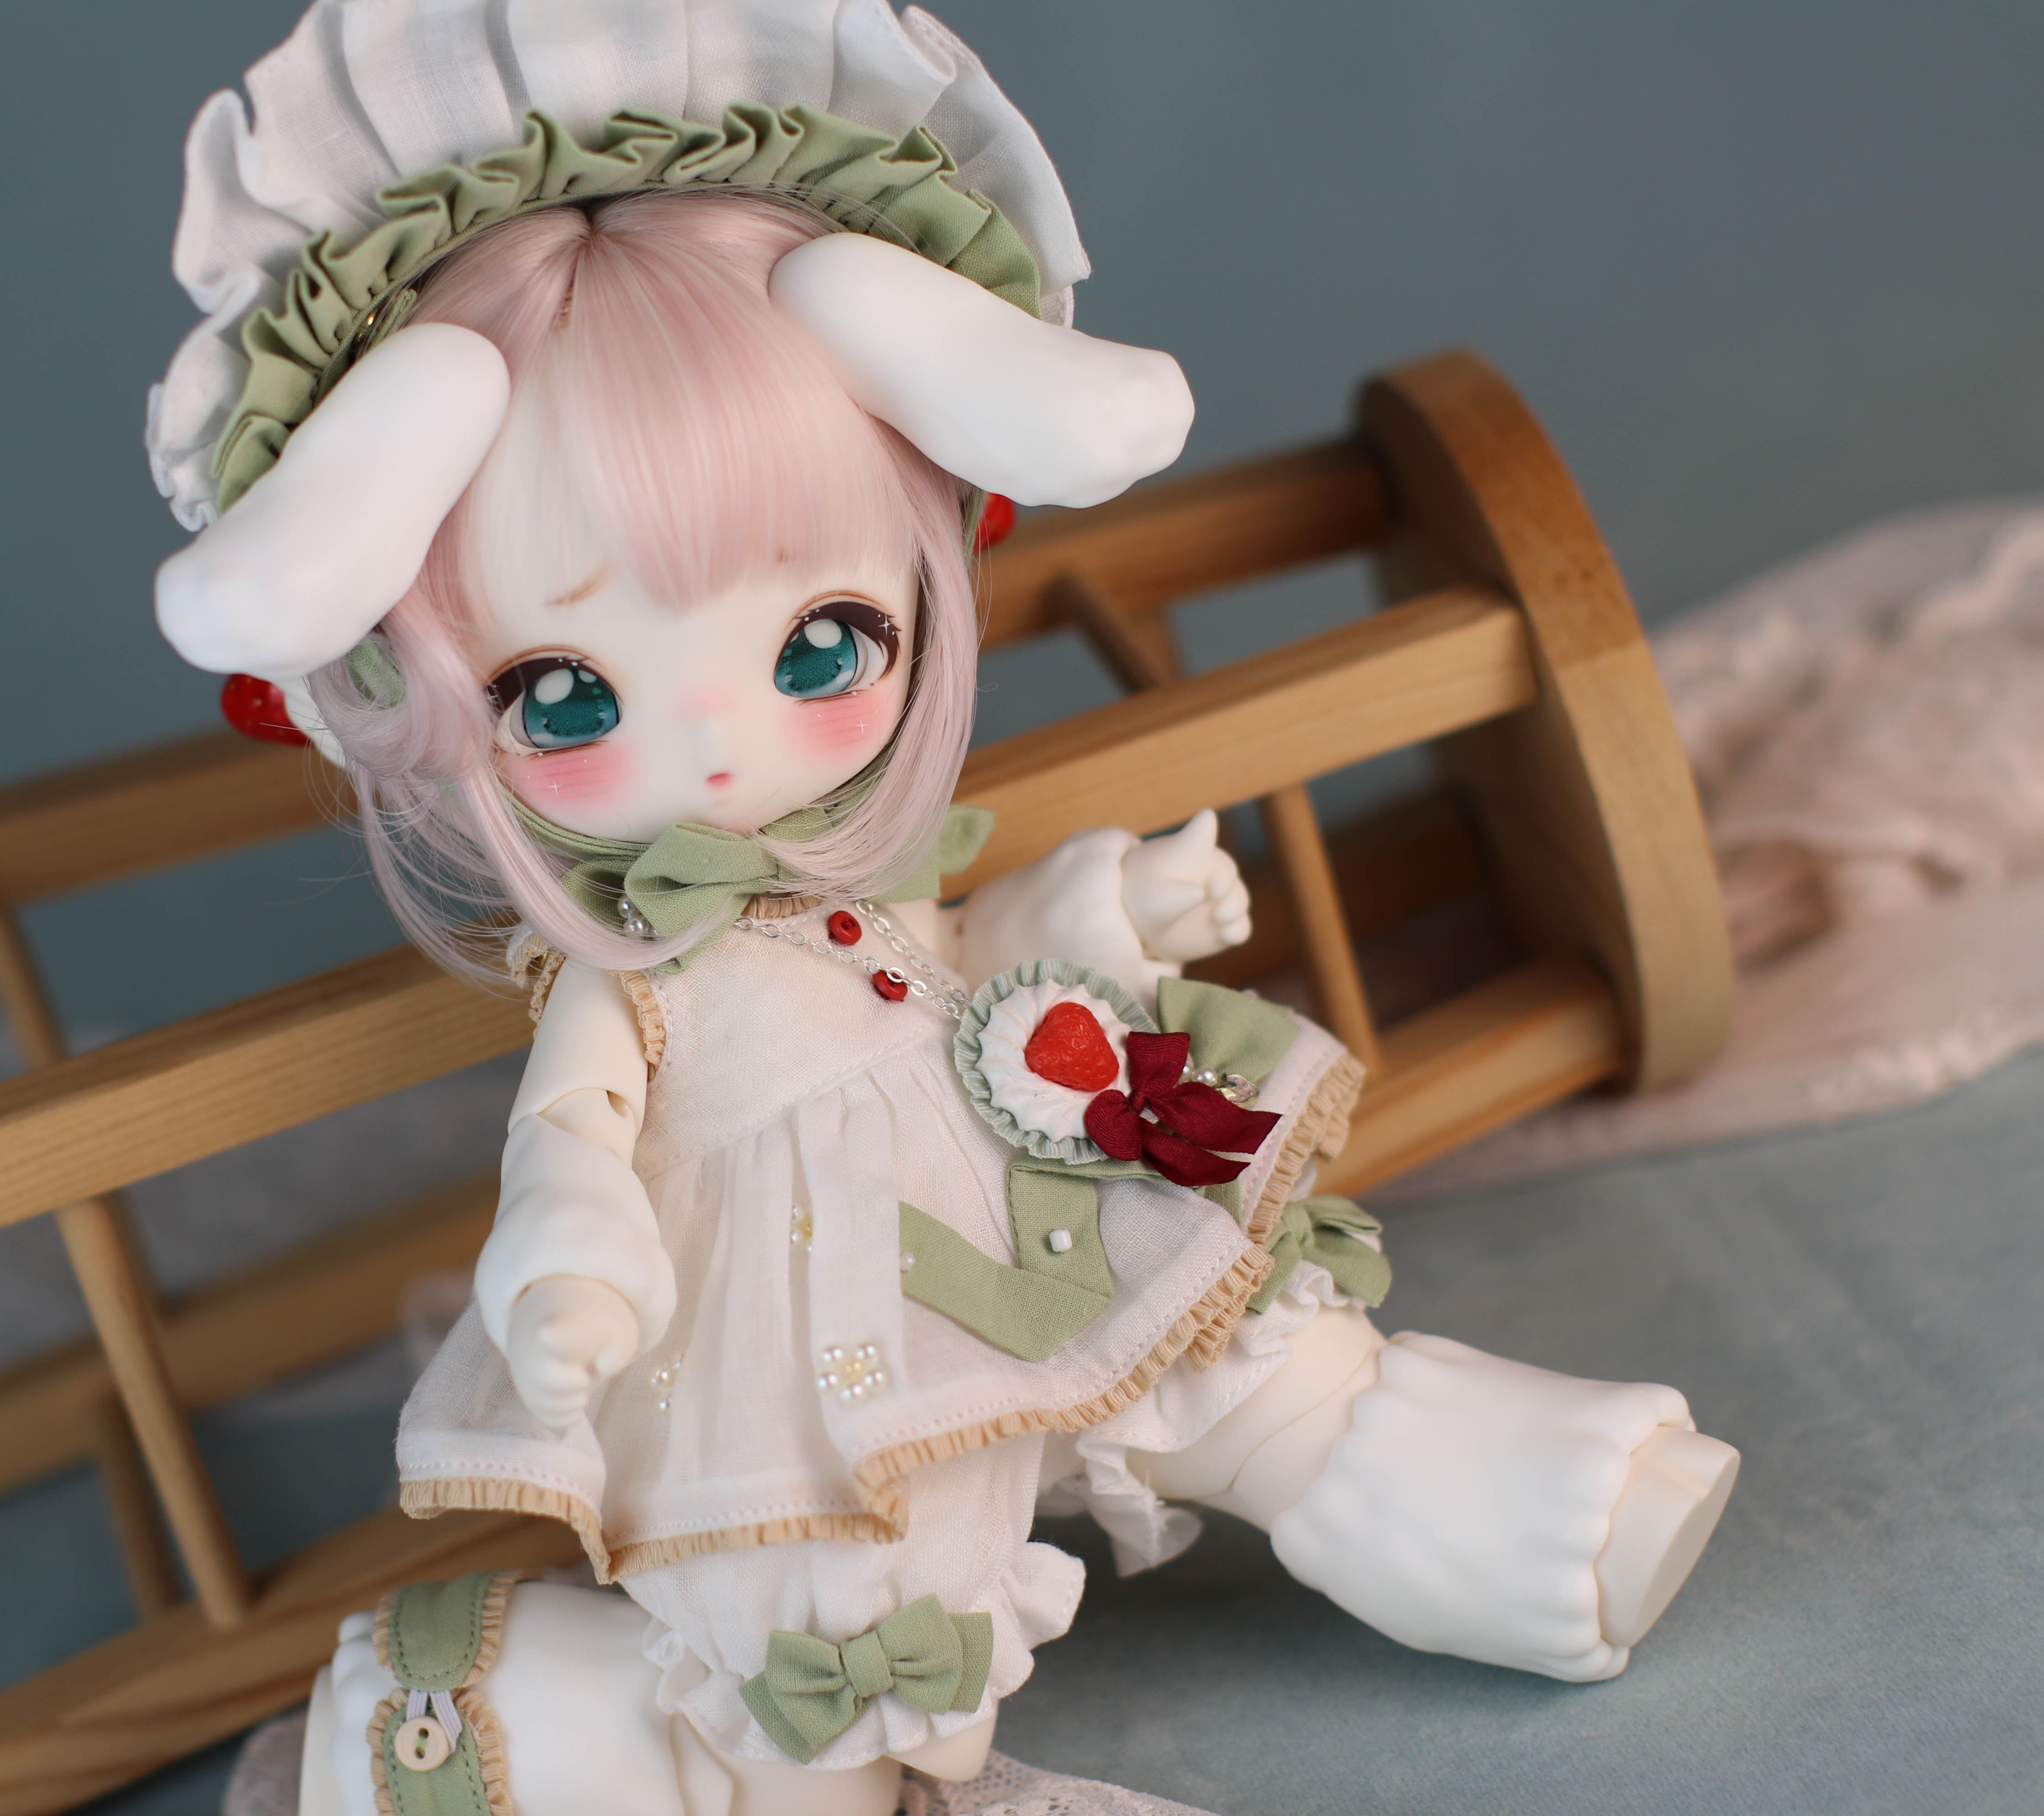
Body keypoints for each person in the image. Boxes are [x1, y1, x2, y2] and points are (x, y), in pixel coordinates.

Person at [144, 10, 1739, 1813]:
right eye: (565, 696)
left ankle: (1507, 1512)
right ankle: (612, 1746)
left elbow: (969, 965)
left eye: (822, 645)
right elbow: (574, 1126)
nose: (724, 748)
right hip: (793, 1297)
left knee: (1245, 1354)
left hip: (1011, 1191)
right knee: (846, 1580)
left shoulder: (870, 880)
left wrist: (1104, 897)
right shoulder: (638, 978)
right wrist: (570, 1243)